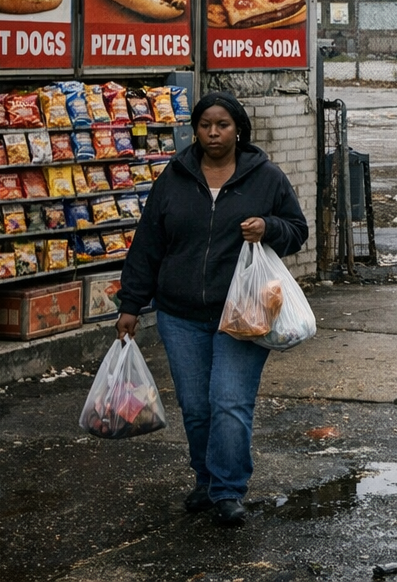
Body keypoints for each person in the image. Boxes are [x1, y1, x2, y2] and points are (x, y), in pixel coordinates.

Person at [116, 92, 309, 526]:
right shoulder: (176, 176)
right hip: (180, 314)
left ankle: (228, 490)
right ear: (195, 130)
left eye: (222, 125)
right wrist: (131, 303)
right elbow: (148, 244)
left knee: (229, 402)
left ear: (237, 128)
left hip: (244, 313)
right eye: (205, 125)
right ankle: (205, 480)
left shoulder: (265, 177)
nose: (214, 133)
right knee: (197, 406)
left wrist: (268, 227)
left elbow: (298, 231)